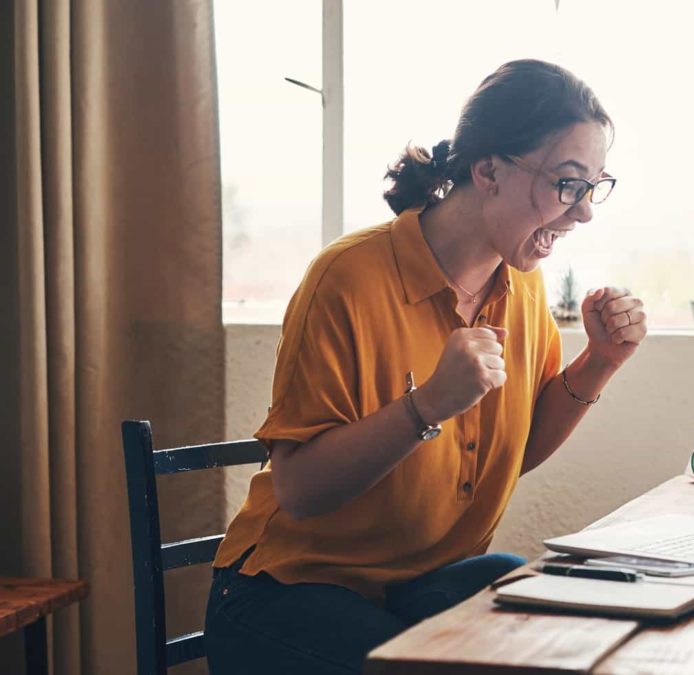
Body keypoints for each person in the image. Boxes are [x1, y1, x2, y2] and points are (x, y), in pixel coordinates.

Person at [204, 59, 646, 674]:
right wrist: (427, 405)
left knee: (519, 589)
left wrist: (600, 362)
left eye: (593, 186)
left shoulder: (521, 285)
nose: (584, 212)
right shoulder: (348, 278)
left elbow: (515, 452)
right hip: (284, 595)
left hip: (415, 588)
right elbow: (299, 492)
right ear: (488, 169)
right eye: (568, 184)